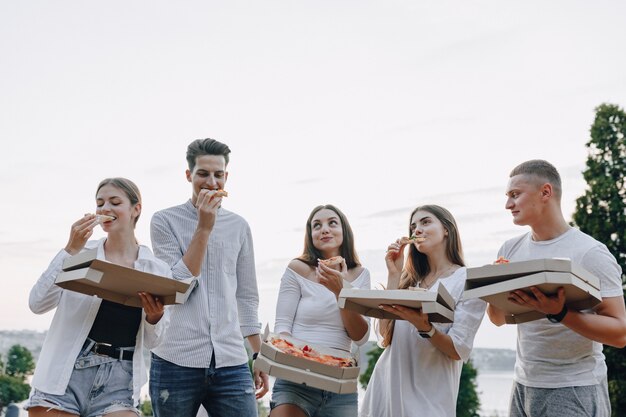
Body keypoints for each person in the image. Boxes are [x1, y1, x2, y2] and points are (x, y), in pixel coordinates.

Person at [486, 160, 626, 417]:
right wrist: (496, 285)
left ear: (546, 193)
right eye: (507, 197)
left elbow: (620, 333)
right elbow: (497, 319)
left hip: (573, 386)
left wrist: (560, 313)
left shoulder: (590, 253)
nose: (508, 205)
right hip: (523, 386)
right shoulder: (509, 250)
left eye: (515, 195)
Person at [26, 177, 168, 417]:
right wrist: (69, 249)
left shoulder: (156, 269)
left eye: (115, 202)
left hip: (118, 382)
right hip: (64, 376)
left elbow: (155, 342)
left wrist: (155, 318)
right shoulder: (82, 254)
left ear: (136, 209)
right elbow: (37, 303)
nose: (105, 209)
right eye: (100, 203)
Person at [149, 138, 268, 417]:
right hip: (175, 360)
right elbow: (176, 288)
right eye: (203, 173)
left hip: (231, 360)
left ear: (227, 177)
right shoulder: (164, 221)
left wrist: (258, 354)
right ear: (189, 175)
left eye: (218, 174)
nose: (212, 182)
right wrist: (203, 228)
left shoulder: (239, 226)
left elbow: (247, 296)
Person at [361, 205, 486, 417]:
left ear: (447, 229)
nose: (417, 229)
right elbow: (385, 337)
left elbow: (458, 349)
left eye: (425, 222)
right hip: (386, 392)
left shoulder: (469, 281)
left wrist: (424, 327)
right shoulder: (412, 280)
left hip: (430, 400)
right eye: (413, 226)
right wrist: (394, 274)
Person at [270, 204, 370, 417]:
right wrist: (294, 358)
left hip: (340, 383)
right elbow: (283, 329)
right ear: (310, 235)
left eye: (332, 223)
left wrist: (340, 290)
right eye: (317, 225)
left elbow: (360, 336)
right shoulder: (297, 269)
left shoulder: (360, 274)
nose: (324, 229)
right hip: (296, 379)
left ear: (344, 230)